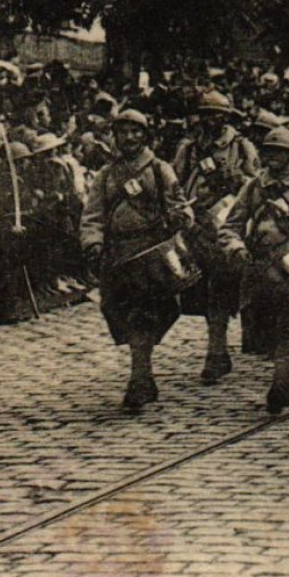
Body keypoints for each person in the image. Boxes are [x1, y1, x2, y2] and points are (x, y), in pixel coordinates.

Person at [79, 110, 194, 411]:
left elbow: (180, 207)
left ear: (145, 135)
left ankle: (139, 379)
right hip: (118, 257)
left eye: (135, 132)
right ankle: (142, 374)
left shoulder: (159, 169)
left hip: (152, 254)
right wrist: (93, 244)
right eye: (123, 132)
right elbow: (92, 215)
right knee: (118, 312)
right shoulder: (106, 175)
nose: (129, 138)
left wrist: (178, 217)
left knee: (143, 315)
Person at [218, 127, 289, 414]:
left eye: (281, 152)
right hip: (262, 270)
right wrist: (235, 247)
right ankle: (288, 380)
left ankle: (281, 382)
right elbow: (230, 226)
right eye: (269, 151)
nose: (274, 157)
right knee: (268, 329)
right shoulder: (254, 188)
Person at [172, 91, 260, 383]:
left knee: (223, 287)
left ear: (228, 117)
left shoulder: (242, 147)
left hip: (227, 224)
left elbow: (255, 184)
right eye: (206, 113)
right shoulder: (190, 148)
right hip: (197, 226)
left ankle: (218, 351)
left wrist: (233, 181)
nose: (211, 119)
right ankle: (217, 350)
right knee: (203, 289)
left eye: (217, 114)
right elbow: (177, 184)